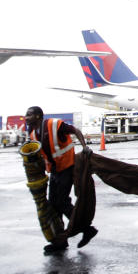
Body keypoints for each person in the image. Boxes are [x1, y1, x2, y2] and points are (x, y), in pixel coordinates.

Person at [24, 106, 98, 253]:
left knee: (62, 202)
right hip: (55, 170)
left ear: (38, 116)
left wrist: (84, 147)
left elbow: (75, 130)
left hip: (67, 166)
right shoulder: (33, 134)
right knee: (53, 204)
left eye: (29, 115)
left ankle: (86, 229)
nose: (26, 117)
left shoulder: (54, 124)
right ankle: (60, 240)